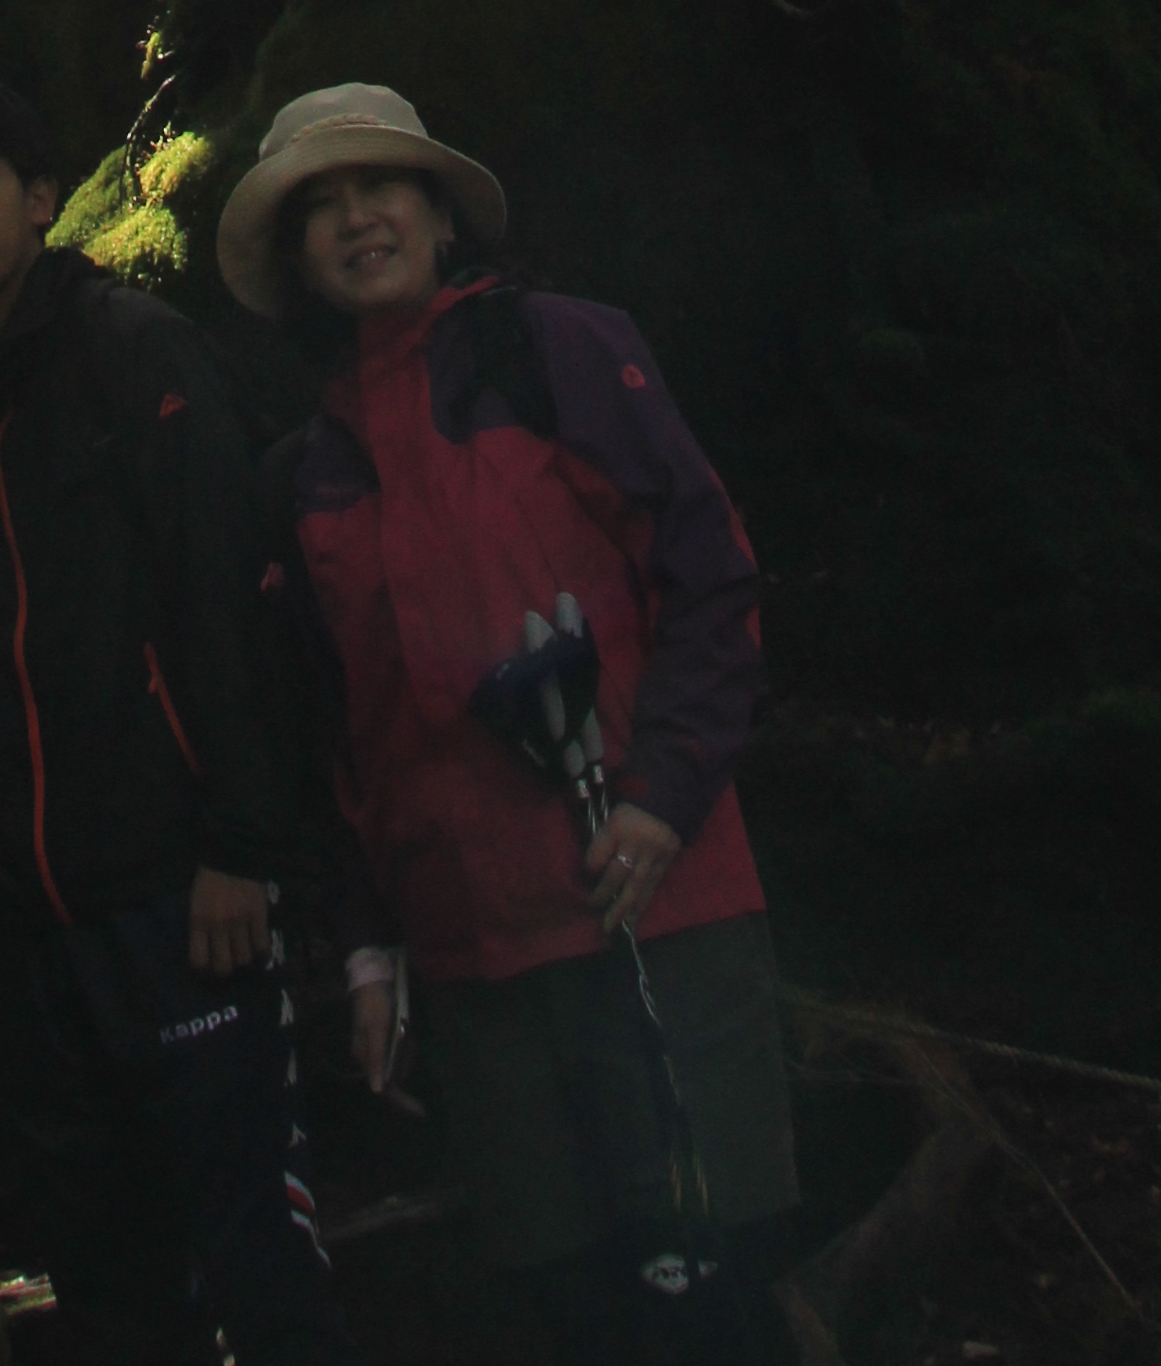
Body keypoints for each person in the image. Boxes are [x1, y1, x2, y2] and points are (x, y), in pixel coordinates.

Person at [222, 80, 801, 1366]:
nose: (358, 219)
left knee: (707, 1287)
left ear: (440, 214)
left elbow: (712, 578)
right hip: (471, 960)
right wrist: (367, 952)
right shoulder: (302, 470)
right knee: (563, 1300)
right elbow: (337, 734)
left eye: (381, 187)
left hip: (653, 912)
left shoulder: (563, 353)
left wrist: (663, 793)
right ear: (295, 260)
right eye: (320, 207)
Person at [0, 63, 351, 1366]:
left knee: (251, 1241)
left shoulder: (133, 349)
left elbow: (229, 604)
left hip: (179, 899)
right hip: (36, 922)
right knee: (107, 1270)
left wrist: (241, 846)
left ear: (41, 198)